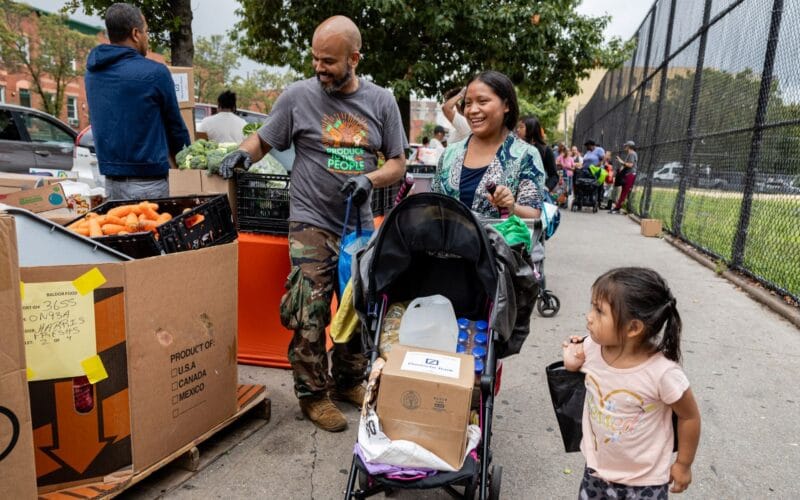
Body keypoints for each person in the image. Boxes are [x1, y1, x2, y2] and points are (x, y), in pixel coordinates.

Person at [218, 15, 407, 432]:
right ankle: (313, 394)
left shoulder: (381, 102)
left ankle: (347, 381)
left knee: (358, 308)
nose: (320, 68)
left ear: (354, 58)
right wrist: (243, 155)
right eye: (315, 59)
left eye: (329, 61)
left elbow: (397, 163)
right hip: (310, 219)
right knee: (310, 308)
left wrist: (368, 179)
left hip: (357, 224)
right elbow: (265, 138)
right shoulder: (297, 97)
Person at [562, 267, 701, 498]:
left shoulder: (662, 373)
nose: (589, 316)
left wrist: (684, 464)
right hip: (597, 471)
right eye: (592, 307)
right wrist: (570, 357)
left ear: (633, 328)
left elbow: (689, 416)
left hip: (646, 481)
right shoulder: (592, 348)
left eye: (599, 311)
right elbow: (573, 361)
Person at [85, 3, 190, 200]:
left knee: (122, 231)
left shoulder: (93, 73)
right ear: (136, 34)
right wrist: (189, 163)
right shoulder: (155, 73)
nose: (147, 38)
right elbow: (175, 128)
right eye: (146, 31)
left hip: (111, 184)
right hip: (149, 184)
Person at [432, 70, 545, 219]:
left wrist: (511, 207)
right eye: (467, 103)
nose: (472, 110)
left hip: (500, 242)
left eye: (482, 101)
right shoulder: (450, 153)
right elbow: (434, 205)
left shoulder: (526, 155)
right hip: (447, 241)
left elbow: (534, 214)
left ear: (506, 105)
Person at [516, 116, 558, 192]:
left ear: (531, 128)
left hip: (537, 195)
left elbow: (554, 176)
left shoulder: (545, 150)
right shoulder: (514, 148)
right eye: (517, 127)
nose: (517, 130)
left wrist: (546, 188)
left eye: (521, 127)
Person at [611, 140, 638, 214]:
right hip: (628, 174)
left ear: (629, 146)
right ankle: (619, 206)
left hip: (630, 174)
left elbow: (630, 165)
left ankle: (617, 208)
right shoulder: (630, 154)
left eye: (626, 146)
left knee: (624, 191)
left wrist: (620, 161)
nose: (625, 147)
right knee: (624, 191)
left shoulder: (632, 153)